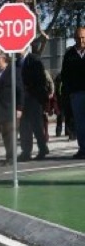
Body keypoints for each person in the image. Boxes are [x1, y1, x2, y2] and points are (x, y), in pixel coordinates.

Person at [17, 47, 49, 161]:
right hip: (22, 99)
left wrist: (29, 87)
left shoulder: (34, 59)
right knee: (24, 127)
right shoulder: (16, 62)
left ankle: (42, 148)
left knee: (37, 125)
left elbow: (40, 78)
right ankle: (26, 151)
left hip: (34, 98)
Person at [61, 27, 85, 159]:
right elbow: (64, 75)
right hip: (76, 94)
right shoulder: (69, 54)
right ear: (74, 38)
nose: (81, 40)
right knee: (80, 124)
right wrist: (69, 91)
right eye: (78, 37)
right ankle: (83, 149)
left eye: (83, 37)